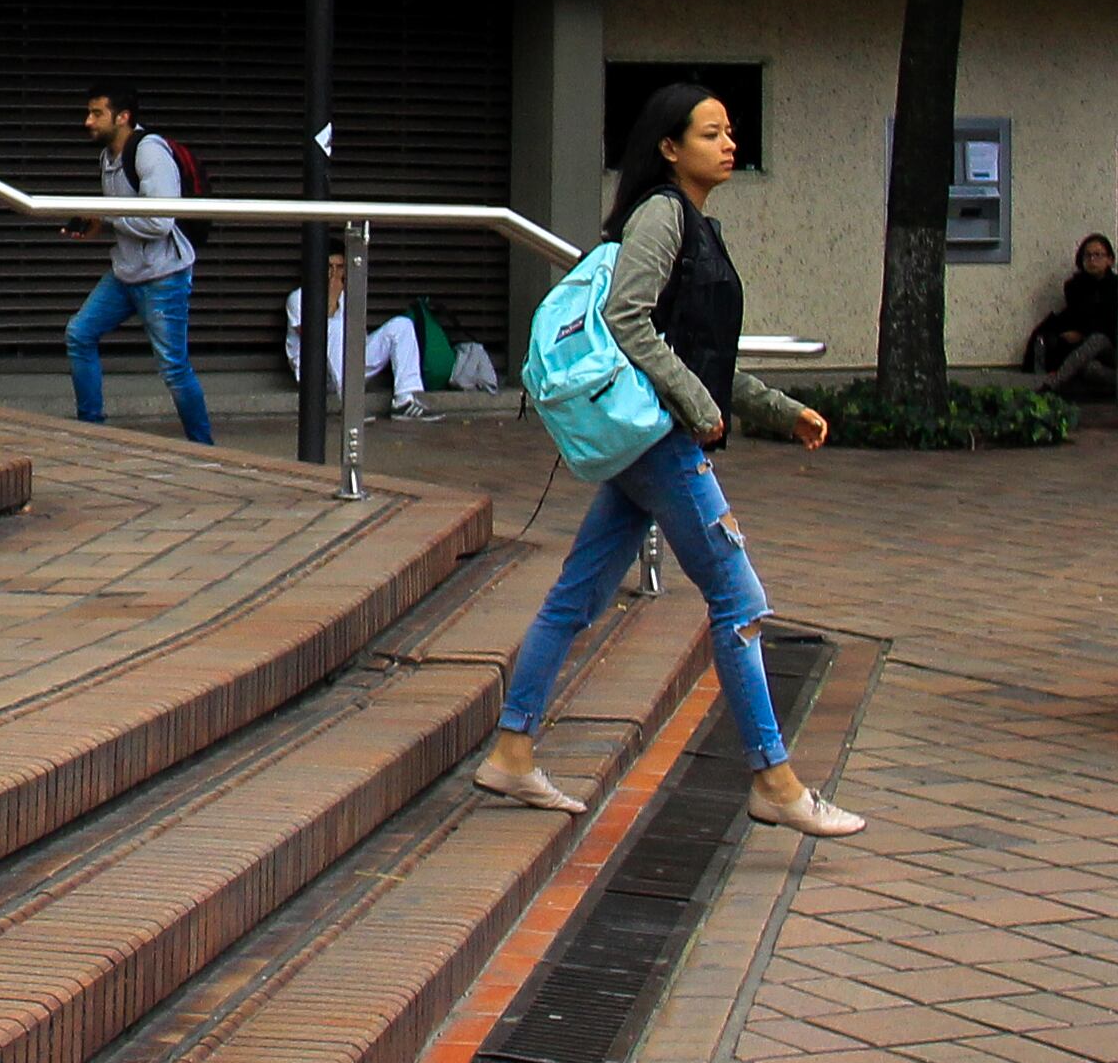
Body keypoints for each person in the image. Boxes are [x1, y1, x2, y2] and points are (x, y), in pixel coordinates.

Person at [462, 85, 865, 837]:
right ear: (669, 148)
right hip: (662, 442)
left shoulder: (694, 225)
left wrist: (774, 410)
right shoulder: (662, 217)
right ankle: (773, 780)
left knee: (576, 594)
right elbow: (627, 320)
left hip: (655, 437)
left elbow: (691, 354)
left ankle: (512, 751)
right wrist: (699, 408)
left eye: (730, 130)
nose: (729, 143)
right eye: (711, 133)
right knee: (739, 603)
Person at [62, 87, 212, 443]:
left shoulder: (149, 152)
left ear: (123, 116)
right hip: (126, 272)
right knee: (79, 334)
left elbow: (159, 222)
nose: (88, 121)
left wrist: (108, 217)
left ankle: (204, 448)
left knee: (174, 368)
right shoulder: (107, 157)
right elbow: (123, 216)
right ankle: (91, 430)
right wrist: (96, 223)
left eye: (97, 113)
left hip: (163, 276)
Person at [284, 254, 431, 417]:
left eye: (340, 267)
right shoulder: (298, 298)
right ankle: (351, 407)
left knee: (402, 325)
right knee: (335, 326)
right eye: (329, 267)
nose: (334, 273)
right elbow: (313, 338)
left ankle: (404, 400)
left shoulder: (348, 296)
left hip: (350, 367)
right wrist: (332, 299)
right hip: (317, 374)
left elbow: (357, 338)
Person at [1021, 232, 1118, 402]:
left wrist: (1083, 334)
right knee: (1090, 369)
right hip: (1084, 353)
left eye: (1098, 255)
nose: (1092, 260)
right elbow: (1076, 316)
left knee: (1098, 339)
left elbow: (1110, 323)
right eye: (1088, 255)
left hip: (1111, 347)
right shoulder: (1075, 287)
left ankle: (1052, 385)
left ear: (1110, 260)